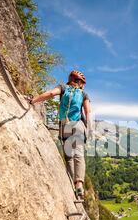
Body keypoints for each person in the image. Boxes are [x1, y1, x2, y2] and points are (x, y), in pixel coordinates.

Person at [29, 70, 92, 198]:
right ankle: (79, 185)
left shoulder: (63, 88)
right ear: (79, 82)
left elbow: (51, 93)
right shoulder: (84, 94)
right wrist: (89, 129)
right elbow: (88, 112)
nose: (83, 86)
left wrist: (33, 101)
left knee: (69, 157)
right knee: (78, 154)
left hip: (65, 125)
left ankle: (70, 183)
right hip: (78, 125)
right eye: (82, 83)